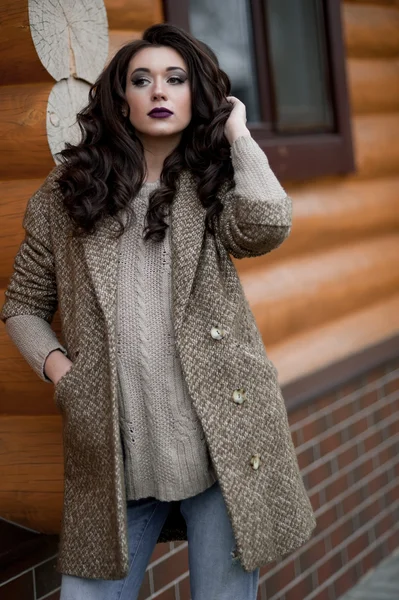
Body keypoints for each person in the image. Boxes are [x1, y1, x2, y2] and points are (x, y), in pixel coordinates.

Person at [0, 23, 316, 600]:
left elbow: (268, 225)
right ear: (121, 97)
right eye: (141, 80)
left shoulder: (215, 186)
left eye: (175, 79)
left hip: (222, 446)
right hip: (115, 453)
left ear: (197, 94)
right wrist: (64, 374)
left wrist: (238, 135)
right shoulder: (68, 193)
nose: (159, 92)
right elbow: (22, 305)